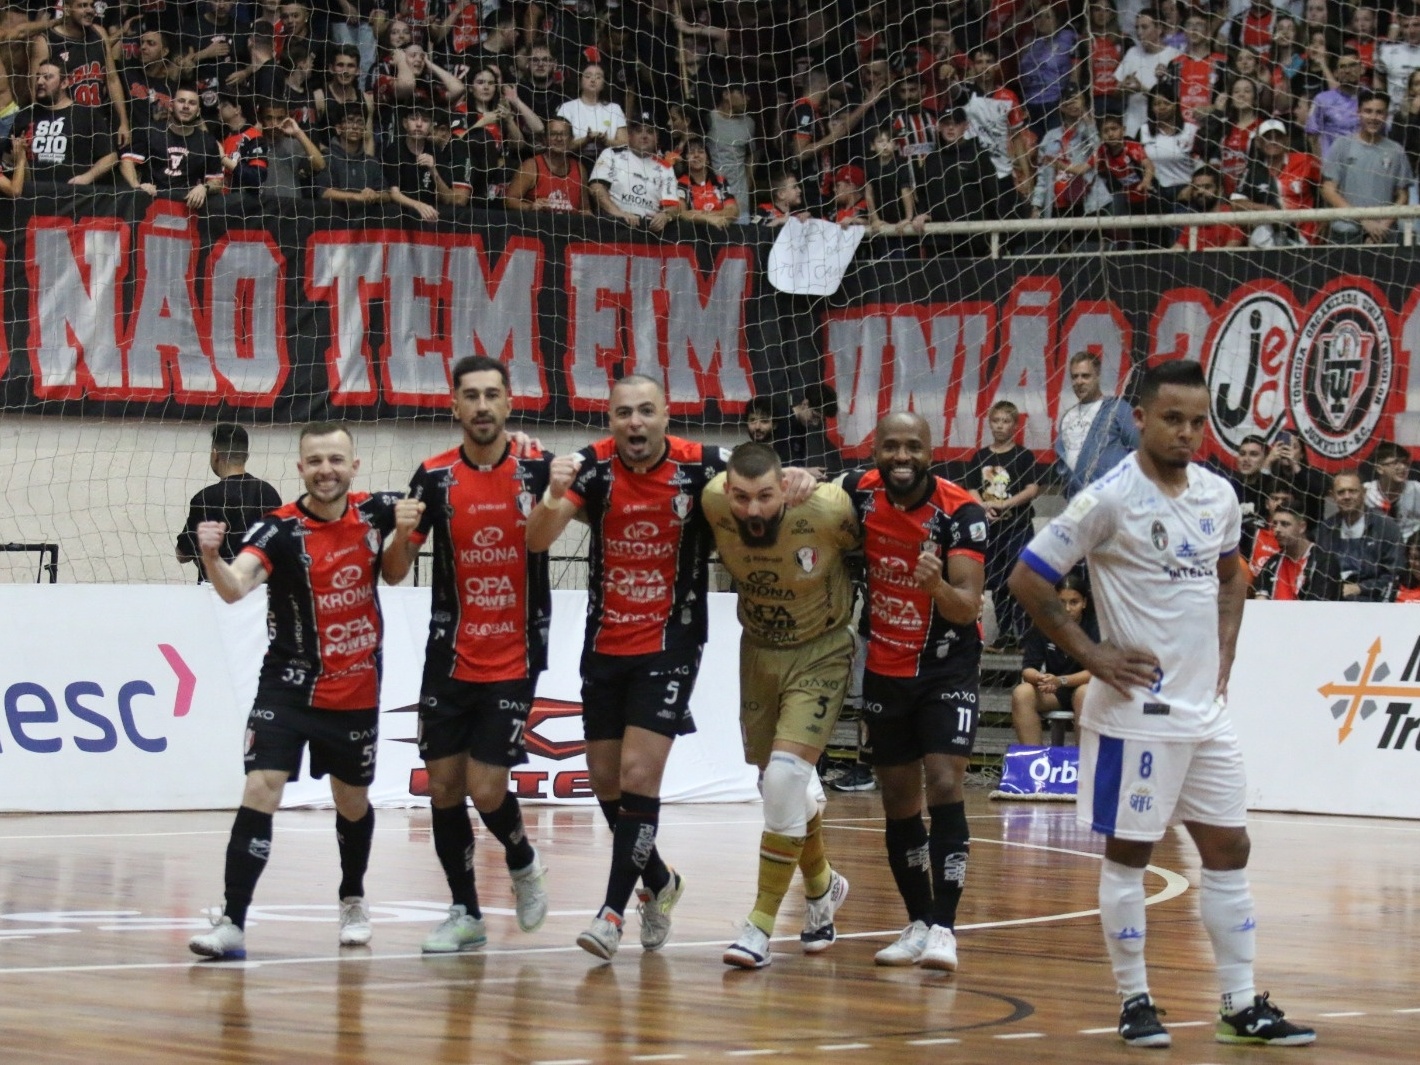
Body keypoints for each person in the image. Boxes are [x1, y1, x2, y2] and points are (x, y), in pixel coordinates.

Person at [1008, 359, 1317, 1049]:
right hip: (1134, 715)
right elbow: (1027, 577)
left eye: (1198, 421)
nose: (1187, 432)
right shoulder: (1105, 498)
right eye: (1172, 418)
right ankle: (1135, 999)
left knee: (1230, 845)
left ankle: (1239, 1004)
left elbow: (1232, 577)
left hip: (1204, 713)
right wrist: (1091, 654)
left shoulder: (1215, 493)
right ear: (1139, 418)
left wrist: (1226, 649)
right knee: (1131, 852)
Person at [187, 422, 418, 960]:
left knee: (351, 801)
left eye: (336, 459)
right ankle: (234, 922)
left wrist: (407, 531)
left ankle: (353, 898)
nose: (326, 470)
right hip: (286, 685)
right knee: (261, 788)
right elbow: (235, 588)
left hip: (354, 687)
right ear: (300, 468)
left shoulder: (377, 511)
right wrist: (211, 558)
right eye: (315, 461)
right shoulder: (277, 529)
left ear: (354, 466)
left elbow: (399, 567)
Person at [523, 376, 728, 961]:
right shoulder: (592, 468)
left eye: (645, 412)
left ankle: (613, 911)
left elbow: (762, 475)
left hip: (671, 644)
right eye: (622, 414)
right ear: (610, 420)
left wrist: (791, 479)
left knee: (640, 776)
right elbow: (537, 541)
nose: (634, 423)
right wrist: (552, 491)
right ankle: (662, 880)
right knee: (608, 784)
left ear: (667, 415)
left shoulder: (704, 465)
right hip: (605, 644)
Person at [383, 355, 552, 953]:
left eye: (492, 395)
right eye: (470, 396)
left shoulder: (540, 470)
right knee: (444, 789)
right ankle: (465, 913)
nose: (482, 406)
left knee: (487, 788)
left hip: (514, 655)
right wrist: (399, 533)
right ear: (453, 406)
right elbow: (395, 573)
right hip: (449, 656)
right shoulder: (432, 477)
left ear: (510, 404)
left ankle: (523, 861)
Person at [700, 443, 859, 969]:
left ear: (781, 488)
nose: (752, 510)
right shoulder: (711, 502)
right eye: (741, 497)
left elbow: (875, 541)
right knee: (775, 784)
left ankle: (760, 924)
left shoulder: (826, 509)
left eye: (765, 496)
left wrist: (818, 473)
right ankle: (821, 889)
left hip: (823, 650)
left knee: (787, 781)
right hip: (759, 652)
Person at [841, 412, 988, 972]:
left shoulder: (962, 513)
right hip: (884, 666)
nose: (901, 457)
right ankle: (919, 922)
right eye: (891, 447)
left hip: (946, 669)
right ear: (875, 451)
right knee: (898, 801)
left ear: (931, 451)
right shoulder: (857, 492)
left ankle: (946, 929)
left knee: (946, 783)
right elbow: (806, 493)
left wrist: (935, 586)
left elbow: (968, 606)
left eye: (913, 447)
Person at [966, 400, 1039, 653]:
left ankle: (1025, 635)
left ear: (1015, 425)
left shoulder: (1023, 455)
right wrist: (983, 506)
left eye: (1005, 421)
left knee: (1020, 579)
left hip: (1017, 527)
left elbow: (1032, 488)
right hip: (991, 530)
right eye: (995, 420)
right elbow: (972, 487)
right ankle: (1006, 633)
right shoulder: (980, 456)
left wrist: (1006, 503)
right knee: (997, 582)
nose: (1000, 426)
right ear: (989, 423)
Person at [175, 423, 282, 582]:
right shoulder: (268, 493)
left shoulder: (205, 498)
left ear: (215, 454)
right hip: (258, 591)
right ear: (246, 456)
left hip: (216, 591)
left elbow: (182, 554)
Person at [31, 0, 129, 149]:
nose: (90, 10)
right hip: (63, 125)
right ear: (67, 9)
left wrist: (123, 122)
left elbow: (112, 79)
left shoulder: (100, 33)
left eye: (91, 5)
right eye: (82, 5)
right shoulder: (46, 41)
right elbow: (35, 89)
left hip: (97, 122)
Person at [1012, 573, 1096, 745]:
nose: (1067, 608)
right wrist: (1040, 678)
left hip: (1086, 689)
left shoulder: (1096, 626)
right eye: (1061, 602)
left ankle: (1082, 763)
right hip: (1055, 690)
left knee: (1085, 694)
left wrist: (1062, 680)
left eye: (1074, 602)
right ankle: (1034, 761)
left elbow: (1097, 672)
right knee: (1022, 693)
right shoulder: (1043, 624)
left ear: (1085, 603)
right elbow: (1028, 668)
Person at [1321, 89, 1413, 243]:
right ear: (1358, 112)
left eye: (1379, 112)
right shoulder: (1342, 145)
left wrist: (1383, 225)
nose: (1373, 117)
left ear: (1386, 115)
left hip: (1384, 234)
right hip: (1346, 231)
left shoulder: (1396, 150)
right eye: (1368, 111)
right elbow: (1329, 190)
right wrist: (1363, 220)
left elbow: (1403, 195)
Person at [12, 60, 118, 189]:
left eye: (47, 77)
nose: (39, 82)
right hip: (31, 195)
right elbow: (7, 156)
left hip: (71, 198)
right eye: (38, 77)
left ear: (64, 83)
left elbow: (111, 157)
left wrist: (87, 177)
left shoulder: (86, 114)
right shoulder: (25, 115)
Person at [119, 84, 223, 208]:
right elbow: (126, 161)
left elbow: (217, 181)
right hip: (149, 204)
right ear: (171, 106)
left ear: (198, 112)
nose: (186, 106)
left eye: (192, 103)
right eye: (181, 101)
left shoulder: (208, 142)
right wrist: (137, 186)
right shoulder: (150, 131)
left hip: (186, 209)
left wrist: (204, 187)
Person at [1054, 352, 1139, 498]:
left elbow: (1142, 449)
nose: (1079, 381)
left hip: (1113, 501)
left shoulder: (1118, 409)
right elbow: (1064, 463)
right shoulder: (1067, 417)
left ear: (1097, 376)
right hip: (1079, 503)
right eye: (1075, 376)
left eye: (1085, 376)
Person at [1313, 470, 1403, 601]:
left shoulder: (1387, 527)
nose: (1347, 496)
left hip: (1372, 602)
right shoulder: (1325, 529)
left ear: (1363, 492)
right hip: (1331, 601)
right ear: (1333, 496)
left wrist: (1361, 587)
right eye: (1341, 492)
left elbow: (1395, 575)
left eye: (1352, 491)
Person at [588, 117, 681, 231]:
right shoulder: (611, 154)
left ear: (657, 138)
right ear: (629, 136)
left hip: (650, 229)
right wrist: (620, 214)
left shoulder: (665, 167)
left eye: (650, 132)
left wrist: (665, 216)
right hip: (614, 224)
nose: (644, 136)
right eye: (638, 131)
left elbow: (673, 206)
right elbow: (596, 188)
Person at [1253, 504, 1344, 601]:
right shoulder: (1272, 562)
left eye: (1285, 524)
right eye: (1274, 524)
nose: (1277, 529)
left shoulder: (1325, 562)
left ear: (1302, 527)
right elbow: (1260, 598)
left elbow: (1319, 608)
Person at [504, 114, 587, 212]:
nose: (559, 139)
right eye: (553, 134)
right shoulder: (531, 166)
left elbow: (585, 209)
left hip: (571, 226)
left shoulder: (579, 168)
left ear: (571, 139)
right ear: (545, 139)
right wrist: (531, 207)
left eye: (564, 134)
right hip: (539, 225)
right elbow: (509, 201)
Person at [1365, 441, 1420, 537]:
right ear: (1380, 469)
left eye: (1405, 463)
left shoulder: (1417, 490)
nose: (1402, 467)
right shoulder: (1366, 492)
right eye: (1395, 463)